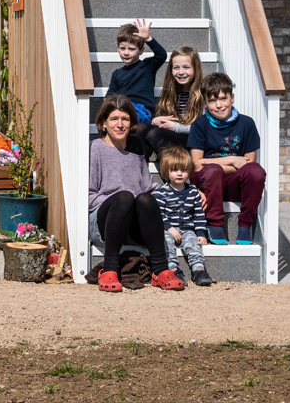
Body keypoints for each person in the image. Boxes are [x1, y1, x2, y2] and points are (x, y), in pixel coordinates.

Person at [89, 95, 184, 292]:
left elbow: (147, 188)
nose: (120, 124)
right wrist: (123, 204)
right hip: (104, 223)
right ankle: (109, 268)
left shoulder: (137, 148)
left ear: (131, 122)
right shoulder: (96, 148)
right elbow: (90, 195)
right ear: (104, 123)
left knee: (146, 199)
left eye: (125, 119)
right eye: (114, 119)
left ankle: (160, 269)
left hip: (132, 224)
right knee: (125, 197)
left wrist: (184, 190)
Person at [188, 72, 266, 245]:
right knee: (213, 171)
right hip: (208, 183)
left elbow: (249, 163)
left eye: (223, 99)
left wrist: (210, 162)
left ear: (232, 98)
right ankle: (215, 223)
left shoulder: (247, 123)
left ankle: (245, 224)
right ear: (205, 103)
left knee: (256, 171)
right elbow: (196, 164)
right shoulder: (200, 124)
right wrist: (232, 160)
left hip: (232, 183)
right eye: (212, 101)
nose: (218, 105)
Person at [152, 147, 213, 286]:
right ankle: (173, 269)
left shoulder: (192, 191)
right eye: (174, 170)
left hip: (187, 230)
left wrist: (201, 233)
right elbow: (158, 214)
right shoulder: (161, 192)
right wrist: (169, 228)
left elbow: (198, 214)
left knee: (193, 242)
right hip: (169, 230)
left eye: (183, 170)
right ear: (166, 171)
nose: (179, 174)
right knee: (165, 240)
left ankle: (198, 270)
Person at [137, 46, 205, 160]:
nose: (181, 72)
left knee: (154, 134)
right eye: (176, 68)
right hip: (172, 138)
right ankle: (140, 170)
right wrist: (155, 120)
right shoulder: (169, 93)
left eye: (186, 67)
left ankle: (172, 170)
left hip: (193, 144)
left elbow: (204, 130)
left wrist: (175, 127)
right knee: (141, 128)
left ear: (196, 69)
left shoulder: (204, 94)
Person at [104, 19, 167, 124]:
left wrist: (148, 39)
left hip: (143, 110)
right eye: (122, 48)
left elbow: (161, 55)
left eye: (131, 49)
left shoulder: (147, 66)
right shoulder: (117, 73)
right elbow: (110, 94)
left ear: (141, 50)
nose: (126, 53)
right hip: (125, 108)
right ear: (117, 49)